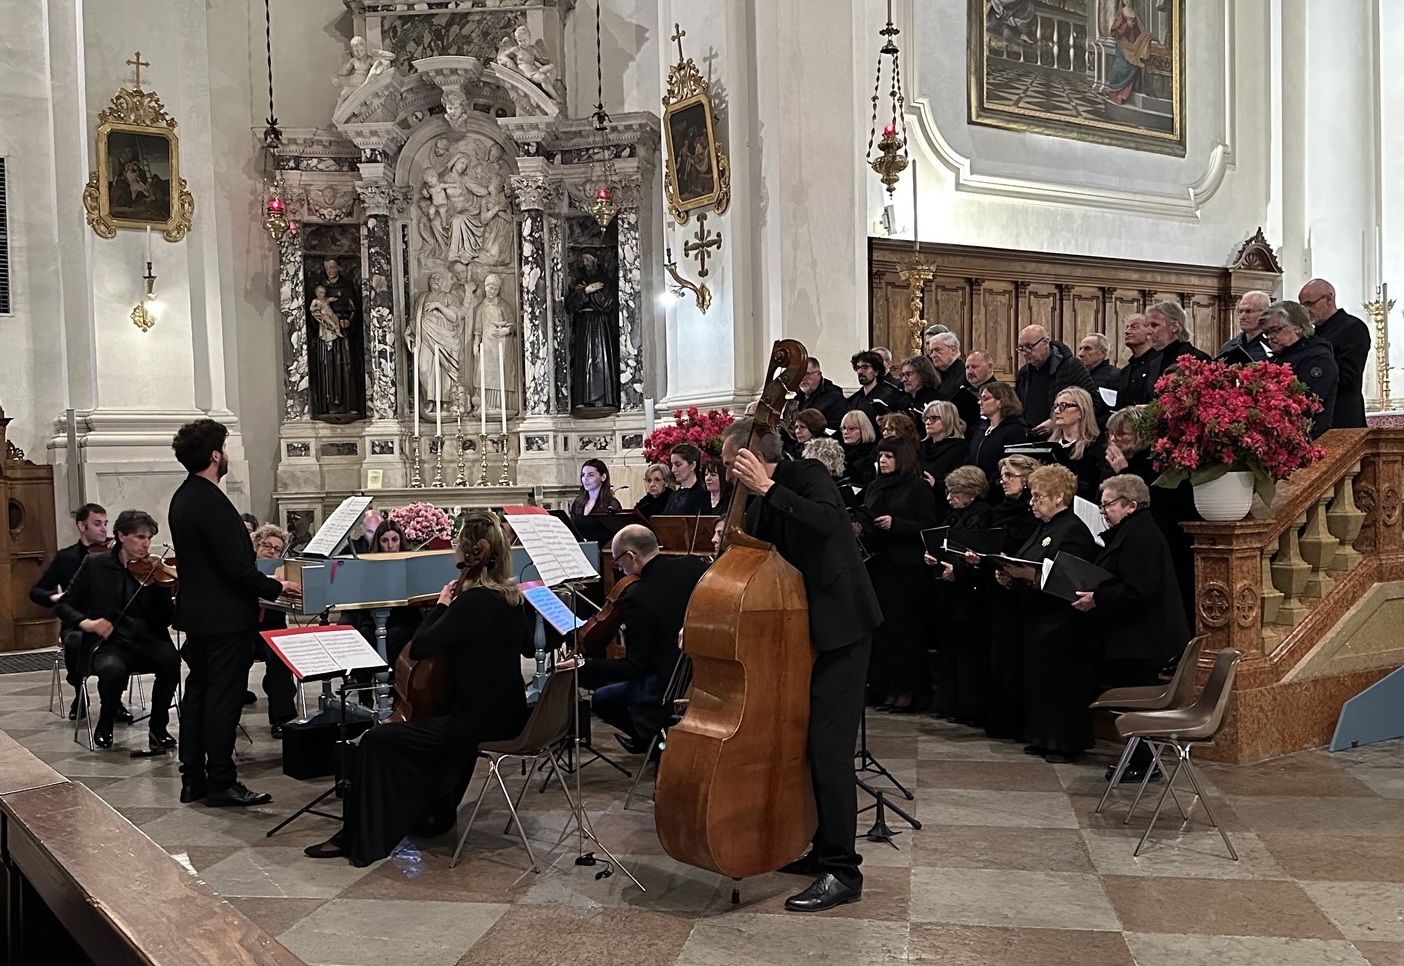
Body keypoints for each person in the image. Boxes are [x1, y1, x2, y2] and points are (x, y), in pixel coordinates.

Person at [304, 511, 534, 867]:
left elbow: (423, 644)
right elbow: (523, 649)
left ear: (472, 552)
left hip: (478, 723)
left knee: (377, 740)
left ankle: (361, 838)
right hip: (508, 714)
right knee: (423, 732)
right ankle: (432, 813)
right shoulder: (512, 599)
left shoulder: (473, 603)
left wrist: (442, 606)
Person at [721, 419, 882, 912]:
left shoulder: (805, 474)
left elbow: (831, 524)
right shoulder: (756, 501)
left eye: (731, 465)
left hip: (842, 632)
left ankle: (843, 870)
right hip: (798, 637)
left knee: (829, 750)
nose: (728, 475)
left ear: (753, 459)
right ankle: (818, 850)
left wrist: (767, 488)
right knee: (802, 744)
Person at [169, 419, 300, 808]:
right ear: (214, 455)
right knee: (223, 700)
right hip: (225, 619)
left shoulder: (183, 497)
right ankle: (223, 781)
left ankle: (193, 778)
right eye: (223, 448)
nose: (225, 455)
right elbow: (236, 569)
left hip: (198, 615)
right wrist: (278, 587)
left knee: (198, 695)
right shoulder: (213, 502)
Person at [1071, 474, 1188, 782]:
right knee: (1131, 700)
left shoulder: (1140, 536)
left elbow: (1140, 589)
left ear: (1131, 505)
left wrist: (1098, 598)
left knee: (1136, 701)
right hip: (1134, 637)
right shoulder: (1133, 531)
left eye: (1108, 504)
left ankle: (1142, 763)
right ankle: (1137, 758)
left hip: (1141, 639)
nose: (1103, 510)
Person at [55, 510, 180, 752]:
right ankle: (105, 721)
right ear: (122, 535)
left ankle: (158, 727)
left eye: (149, 538)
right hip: (110, 642)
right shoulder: (95, 564)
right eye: (140, 537)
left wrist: (162, 591)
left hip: (147, 639)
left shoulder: (154, 571)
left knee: (171, 660)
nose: (146, 544)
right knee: (112, 670)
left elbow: (164, 619)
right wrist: (87, 623)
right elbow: (64, 604)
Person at [997, 465, 1098, 763]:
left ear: (1058, 497)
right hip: (1037, 617)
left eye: (1038, 496)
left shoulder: (1074, 530)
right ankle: (1042, 736)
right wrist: (1010, 575)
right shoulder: (1043, 527)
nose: (1032, 502)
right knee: (1039, 680)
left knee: (1060, 684)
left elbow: (1070, 577)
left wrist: (1027, 574)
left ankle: (1065, 742)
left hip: (1063, 623)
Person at [579, 525, 709, 754]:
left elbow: (636, 667)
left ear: (631, 556)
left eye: (619, 562)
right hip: (700, 677)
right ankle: (652, 743)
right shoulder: (693, 566)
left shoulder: (638, 597)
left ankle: (653, 743)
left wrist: (586, 667)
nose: (619, 568)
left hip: (665, 690)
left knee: (602, 698)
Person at [862, 437, 938, 713]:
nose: (882, 461)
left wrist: (897, 524)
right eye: (880, 456)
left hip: (906, 568)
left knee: (905, 632)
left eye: (889, 456)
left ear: (902, 459)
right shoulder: (873, 486)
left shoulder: (917, 487)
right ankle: (886, 687)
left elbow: (929, 525)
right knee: (883, 631)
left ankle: (908, 690)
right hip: (879, 565)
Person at [29, 503, 122, 720]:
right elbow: (37, 591)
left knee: (122, 640)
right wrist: (55, 597)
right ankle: (79, 691)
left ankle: (113, 698)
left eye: (105, 524)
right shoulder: (66, 558)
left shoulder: (115, 556)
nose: (103, 530)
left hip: (109, 622)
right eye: (97, 524)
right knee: (75, 642)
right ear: (81, 525)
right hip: (76, 623)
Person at [926, 466, 994, 724]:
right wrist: (933, 556)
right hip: (950, 593)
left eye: (954, 492)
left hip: (971, 592)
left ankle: (971, 708)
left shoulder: (983, 515)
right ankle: (951, 703)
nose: (949, 498)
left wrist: (959, 569)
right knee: (951, 650)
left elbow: (978, 551)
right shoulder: (953, 515)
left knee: (970, 654)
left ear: (972, 492)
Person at [983, 455, 1040, 741]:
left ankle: (1018, 722)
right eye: (1002, 476)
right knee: (999, 654)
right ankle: (1000, 721)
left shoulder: (1032, 514)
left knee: (1016, 655)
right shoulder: (999, 510)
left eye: (1010, 476)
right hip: (999, 588)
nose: (1003, 481)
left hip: (1024, 593)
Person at [1260, 300, 1339, 439]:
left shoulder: (1318, 358)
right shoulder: (1278, 357)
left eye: (1275, 330)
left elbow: (1308, 404)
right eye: (1267, 333)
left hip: (1308, 438)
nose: (1270, 337)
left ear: (1297, 327)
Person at [1298, 278, 1370, 428]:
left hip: (1342, 415)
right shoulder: (1312, 334)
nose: (1306, 310)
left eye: (1309, 304)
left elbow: (1349, 376)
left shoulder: (1352, 328)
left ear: (1328, 299)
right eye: (1302, 305)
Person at [251, 525, 299, 738]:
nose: (271, 551)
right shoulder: (246, 570)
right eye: (266, 546)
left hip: (273, 630)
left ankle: (282, 719)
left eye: (277, 549)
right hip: (246, 630)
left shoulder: (283, 572)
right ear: (256, 546)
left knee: (279, 658)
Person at [1014, 325, 1097, 436]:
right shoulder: (1024, 373)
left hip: (1062, 437)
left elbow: (1092, 403)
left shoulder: (1071, 366)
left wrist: (1056, 422)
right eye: (1021, 348)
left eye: (1029, 346)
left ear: (1045, 343)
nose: (1025, 352)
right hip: (1031, 437)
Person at [968, 382, 1027, 500]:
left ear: (1000, 401)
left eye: (985, 398)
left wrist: (984, 487)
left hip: (996, 494)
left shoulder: (1014, 430)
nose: (979, 402)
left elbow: (1009, 464)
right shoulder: (981, 430)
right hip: (976, 492)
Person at [1047, 387, 1106, 501]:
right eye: (1056, 406)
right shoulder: (1049, 445)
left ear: (1081, 411)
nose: (1057, 411)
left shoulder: (1095, 447)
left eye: (1063, 405)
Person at [918, 400, 969, 521]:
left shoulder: (959, 448)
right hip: (920, 504)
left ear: (948, 420)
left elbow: (961, 483)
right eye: (926, 418)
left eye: (934, 418)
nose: (928, 422)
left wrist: (936, 485)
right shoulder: (923, 447)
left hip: (943, 507)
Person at [1143, 300, 1210, 388]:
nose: (1148, 331)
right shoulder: (1154, 363)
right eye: (1148, 325)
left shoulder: (1199, 360)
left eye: (1154, 325)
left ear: (1174, 327)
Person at [928, 333, 981, 429]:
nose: (933, 355)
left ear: (953, 350)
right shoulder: (939, 376)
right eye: (931, 352)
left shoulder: (967, 374)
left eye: (937, 350)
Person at [846, 350, 901, 430]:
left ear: (876, 371)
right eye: (858, 368)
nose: (860, 371)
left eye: (865, 367)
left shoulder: (889, 395)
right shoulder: (854, 399)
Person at [569, 459, 624, 538]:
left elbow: (617, 534)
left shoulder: (611, 504)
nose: (585, 479)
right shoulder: (578, 503)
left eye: (590, 475)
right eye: (583, 475)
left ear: (603, 477)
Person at [1118, 313, 1161, 407]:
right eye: (1127, 327)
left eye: (1134, 327)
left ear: (1149, 331)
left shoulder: (1160, 364)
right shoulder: (1125, 371)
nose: (1127, 331)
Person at [792, 358, 847, 430]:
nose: (802, 378)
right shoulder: (794, 395)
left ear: (819, 375)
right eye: (799, 374)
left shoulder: (834, 398)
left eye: (807, 374)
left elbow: (835, 430)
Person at [1218, 290, 1273, 362]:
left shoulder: (1274, 345)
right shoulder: (1229, 347)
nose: (1242, 316)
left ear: (1265, 313)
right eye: (1240, 312)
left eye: (1249, 311)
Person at [663, 444, 711, 515]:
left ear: (692, 465)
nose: (673, 470)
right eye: (672, 465)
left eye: (678, 464)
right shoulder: (673, 496)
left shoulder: (703, 494)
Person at [895, 355, 941, 427]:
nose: (903, 379)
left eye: (908, 374)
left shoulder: (937, 400)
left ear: (923, 374)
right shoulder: (903, 400)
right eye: (902, 375)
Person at [839, 410, 879, 490]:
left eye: (851, 428)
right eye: (843, 428)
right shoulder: (841, 450)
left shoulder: (871, 453)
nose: (845, 432)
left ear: (863, 429)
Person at [1077, 333, 1122, 399]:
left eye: (1087, 349)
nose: (1080, 354)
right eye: (1080, 349)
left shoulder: (1117, 376)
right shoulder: (1077, 375)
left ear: (1102, 353)